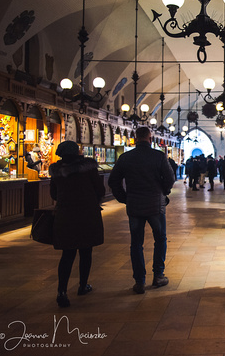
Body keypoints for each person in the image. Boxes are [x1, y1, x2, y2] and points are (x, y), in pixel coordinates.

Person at [108, 127, 175, 294]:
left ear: (135, 138)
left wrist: (124, 197)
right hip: (155, 206)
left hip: (135, 205)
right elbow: (170, 178)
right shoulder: (158, 156)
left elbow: (113, 180)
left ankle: (139, 281)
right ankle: (158, 275)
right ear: (150, 138)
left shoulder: (125, 158)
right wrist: (163, 192)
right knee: (160, 239)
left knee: (136, 243)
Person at [49, 141, 105, 307]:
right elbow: (100, 190)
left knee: (67, 254)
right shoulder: (88, 169)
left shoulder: (56, 171)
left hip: (65, 215)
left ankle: (62, 291)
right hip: (87, 214)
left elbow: (54, 193)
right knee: (86, 250)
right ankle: (82, 285)